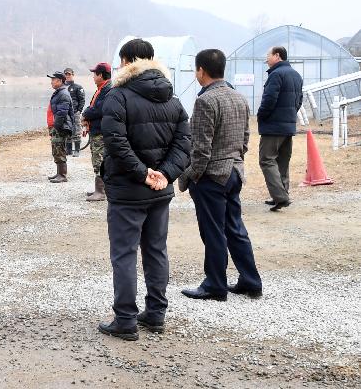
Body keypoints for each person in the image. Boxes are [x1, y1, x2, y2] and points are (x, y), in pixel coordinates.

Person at [98, 39, 191, 341]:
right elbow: (184, 145)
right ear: (151, 60)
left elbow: (115, 142)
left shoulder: (118, 96)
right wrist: (164, 174)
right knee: (156, 250)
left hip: (128, 190)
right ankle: (155, 314)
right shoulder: (172, 98)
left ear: (125, 61)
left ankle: (125, 319)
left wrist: (142, 173)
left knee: (124, 254)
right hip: (159, 190)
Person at [179, 49, 263, 302]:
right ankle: (250, 280)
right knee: (235, 228)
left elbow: (201, 150)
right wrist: (234, 160)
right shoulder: (239, 97)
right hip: (235, 171)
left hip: (212, 176)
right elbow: (246, 139)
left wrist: (188, 176)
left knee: (213, 231)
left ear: (201, 70)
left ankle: (215, 285)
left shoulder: (205, 101)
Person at [257, 46, 303, 212]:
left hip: (273, 126)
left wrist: (260, 115)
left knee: (266, 159)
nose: (266, 60)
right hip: (288, 125)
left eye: (268, 56)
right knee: (282, 161)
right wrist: (290, 115)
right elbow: (299, 100)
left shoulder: (276, 74)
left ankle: (280, 197)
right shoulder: (296, 75)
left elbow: (269, 100)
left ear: (277, 56)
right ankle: (282, 194)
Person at [81, 63, 112, 201]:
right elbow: (93, 107)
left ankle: (100, 192)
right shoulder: (102, 88)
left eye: (94, 74)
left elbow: (98, 109)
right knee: (98, 159)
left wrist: (86, 114)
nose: (93, 76)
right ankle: (99, 189)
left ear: (100, 75)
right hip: (98, 130)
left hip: (101, 132)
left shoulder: (107, 90)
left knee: (99, 160)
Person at [46, 71, 75, 183]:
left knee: (59, 150)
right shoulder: (59, 92)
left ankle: (62, 175)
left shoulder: (63, 93)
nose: (51, 82)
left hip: (59, 127)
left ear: (60, 81)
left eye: (53, 80)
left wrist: (56, 127)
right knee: (56, 149)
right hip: (57, 126)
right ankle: (59, 173)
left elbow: (62, 113)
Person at [63, 68, 86, 157]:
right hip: (65, 113)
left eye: (69, 74)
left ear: (73, 75)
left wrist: (79, 111)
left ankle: (77, 150)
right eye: (66, 74)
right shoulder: (62, 87)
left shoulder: (78, 87)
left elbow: (82, 100)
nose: (67, 76)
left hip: (75, 112)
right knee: (67, 131)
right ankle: (68, 150)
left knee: (76, 131)